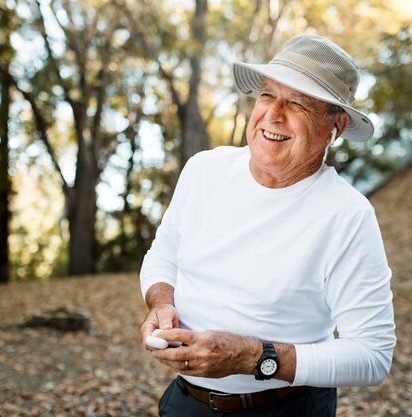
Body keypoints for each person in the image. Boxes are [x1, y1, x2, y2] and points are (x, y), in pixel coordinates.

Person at [139, 34, 396, 417]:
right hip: (187, 403)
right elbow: (163, 254)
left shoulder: (347, 216)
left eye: (297, 103)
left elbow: (373, 356)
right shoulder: (203, 170)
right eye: (267, 95)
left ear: (335, 127)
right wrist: (161, 304)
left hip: (285, 408)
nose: (274, 114)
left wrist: (252, 358)